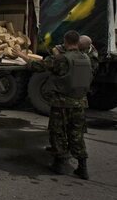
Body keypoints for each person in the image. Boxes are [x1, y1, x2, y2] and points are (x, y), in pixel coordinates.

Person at [14, 30, 92, 180]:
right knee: (77, 135)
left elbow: (38, 66)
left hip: (62, 103)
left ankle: (60, 163)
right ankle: (83, 167)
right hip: (80, 103)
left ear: (66, 41)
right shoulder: (86, 59)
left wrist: (21, 55)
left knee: (58, 133)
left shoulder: (62, 59)